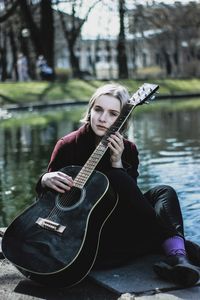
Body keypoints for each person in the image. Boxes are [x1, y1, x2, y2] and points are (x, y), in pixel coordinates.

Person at [36, 83, 200, 287]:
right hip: (91, 239)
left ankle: (177, 257)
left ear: (123, 119)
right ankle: (178, 250)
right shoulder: (68, 145)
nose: (103, 118)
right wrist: (44, 180)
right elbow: (44, 203)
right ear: (90, 110)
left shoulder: (128, 149)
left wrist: (118, 164)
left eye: (113, 113)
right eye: (98, 109)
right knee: (192, 249)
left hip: (123, 227)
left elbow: (135, 204)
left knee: (163, 191)